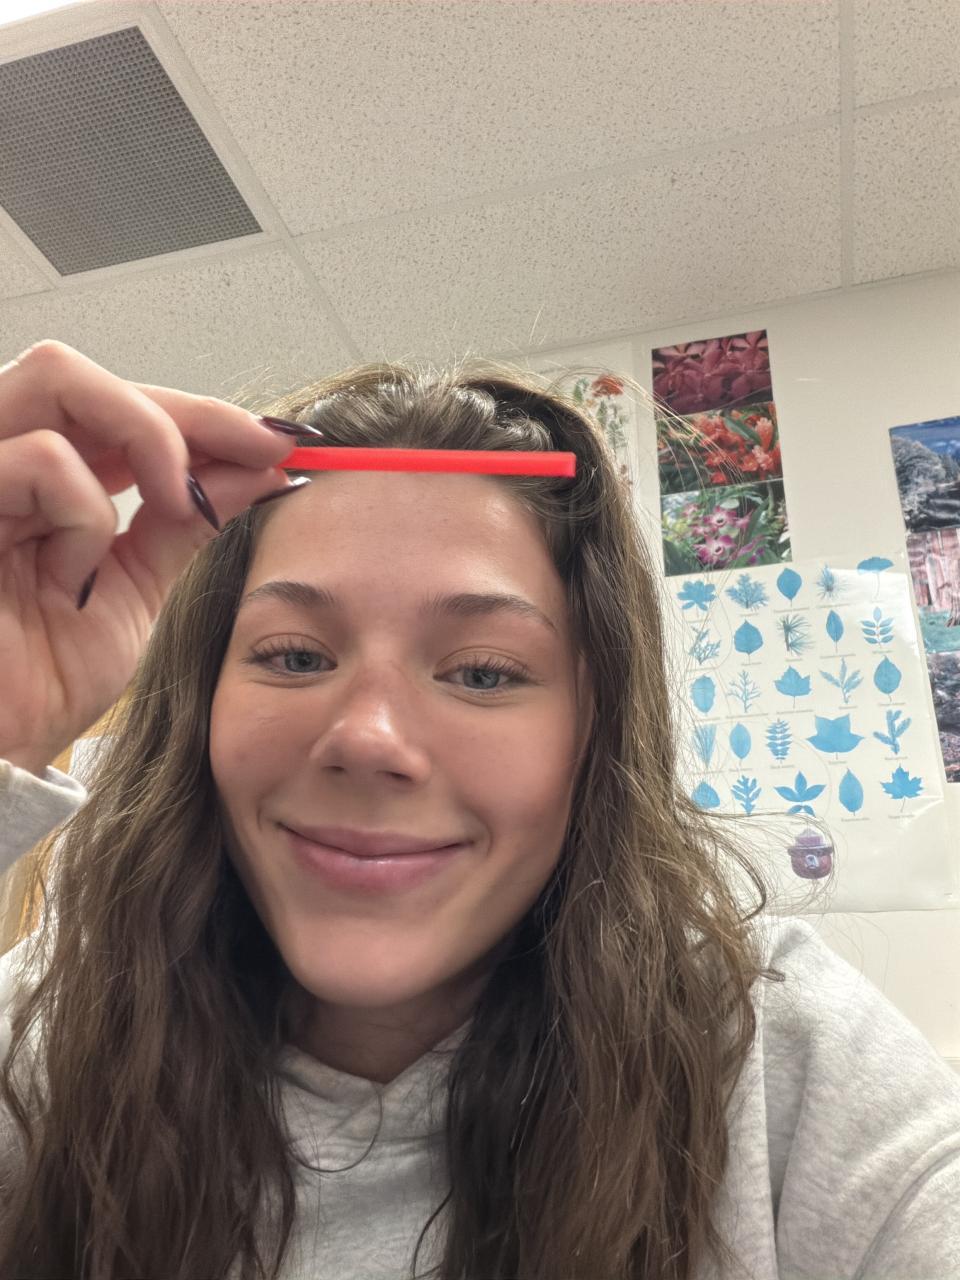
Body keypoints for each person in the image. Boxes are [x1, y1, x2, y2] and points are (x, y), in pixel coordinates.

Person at [0, 339, 957, 1280]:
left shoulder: (772, 1058)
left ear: (594, 730)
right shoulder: (51, 1039)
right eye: (294, 655)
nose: (368, 738)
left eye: (485, 672)